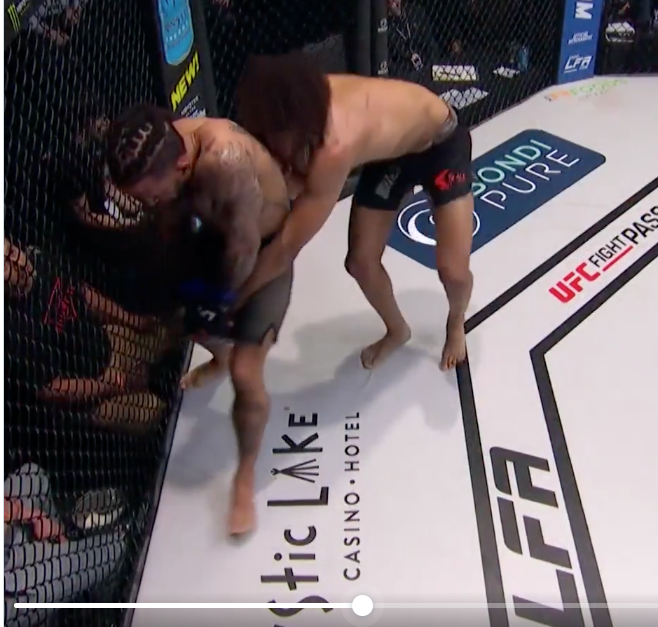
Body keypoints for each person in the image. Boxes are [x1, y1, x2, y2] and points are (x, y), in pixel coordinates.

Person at [104, 104, 293, 536]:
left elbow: (243, 250)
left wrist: (222, 306)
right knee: (181, 312)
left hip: (263, 248)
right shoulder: (164, 144)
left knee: (246, 372)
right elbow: (172, 221)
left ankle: (244, 479)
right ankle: (217, 355)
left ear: (181, 166)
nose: (147, 203)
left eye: (151, 195)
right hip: (210, 231)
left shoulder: (223, 163)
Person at [235, 52, 473, 371]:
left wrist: (234, 300)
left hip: (442, 143)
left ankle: (456, 321)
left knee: (453, 270)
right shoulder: (297, 102)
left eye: (273, 138)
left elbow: (286, 247)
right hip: (392, 156)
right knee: (360, 262)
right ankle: (397, 330)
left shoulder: (335, 145)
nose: (269, 146)